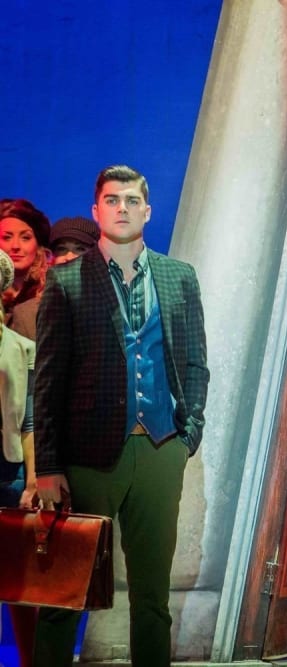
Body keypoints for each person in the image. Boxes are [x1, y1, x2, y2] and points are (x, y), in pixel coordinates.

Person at [33, 165, 210, 666]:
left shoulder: (178, 277)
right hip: (88, 456)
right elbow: (48, 380)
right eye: (112, 200)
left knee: (153, 597)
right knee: (64, 593)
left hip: (159, 447)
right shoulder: (66, 280)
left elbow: (195, 362)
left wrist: (188, 434)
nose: (122, 209)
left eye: (132, 200)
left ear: (147, 211)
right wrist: (48, 465)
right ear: (97, 211)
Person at [0, 248, 40, 667]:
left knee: (18, 579)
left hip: (8, 469)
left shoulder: (21, 347)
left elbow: (30, 420)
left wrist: (32, 480)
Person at [0, 198, 51, 340]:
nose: (15, 246)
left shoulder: (51, 294)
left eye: (25, 238)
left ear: (38, 245)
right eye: (7, 237)